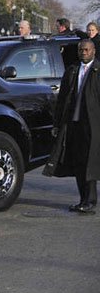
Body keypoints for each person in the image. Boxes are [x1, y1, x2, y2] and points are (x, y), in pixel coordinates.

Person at [44, 39, 100, 214]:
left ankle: (90, 201)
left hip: (92, 125)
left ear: (94, 51)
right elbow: (62, 100)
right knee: (77, 163)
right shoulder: (72, 70)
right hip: (72, 124)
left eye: (87, 50)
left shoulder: (98, 71)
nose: (83, 52)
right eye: (81, 50)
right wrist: (57, 123)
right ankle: (82, 199)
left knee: (89, 164)